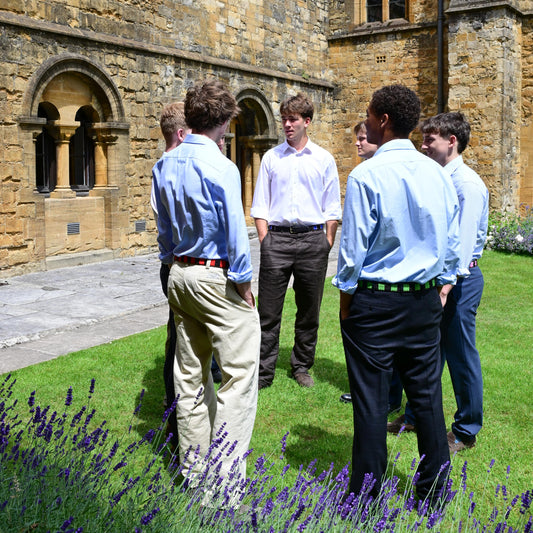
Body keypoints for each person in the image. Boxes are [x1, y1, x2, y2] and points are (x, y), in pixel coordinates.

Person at [333, 84, 460, 503]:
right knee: (427, 398)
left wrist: (346, 302)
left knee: (371, 402)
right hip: (423, 299)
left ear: (383, 120)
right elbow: (451, 239)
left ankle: (366, 500)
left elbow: (352, 250)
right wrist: (441, 285)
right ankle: (434, 493)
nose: (366, 121)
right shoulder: (437, 174)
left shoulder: (366, 174)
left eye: (369, 114)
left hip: (375, 300)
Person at [152, 79, 260, 488]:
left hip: (179, 273)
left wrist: (172, 265)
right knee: (239, 377)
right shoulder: (221, 167)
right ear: (225, 120)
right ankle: (225, 486)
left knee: (190, 378)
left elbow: (164, 230)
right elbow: (236, 232)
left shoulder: (164, 165)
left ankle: (194, 474)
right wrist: (244, 282)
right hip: (215, 276)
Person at [251, 92, 341, 389]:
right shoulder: (271, 158)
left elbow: (332, 207)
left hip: (313, 241)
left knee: (308, 311)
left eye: (293, 120)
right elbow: (260, 204)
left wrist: (327, 241)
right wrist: (265, 240)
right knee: (268, 312)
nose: (287, 125)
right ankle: (263, 371)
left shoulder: (323, 159)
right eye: (284, 120)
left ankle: (301, 366)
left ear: (307, 122)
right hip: (276, 240)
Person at [421, 112, 488, 452]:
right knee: (427, 352)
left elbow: (462, 244)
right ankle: (416, 416)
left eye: (429, 139)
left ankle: (465, 430)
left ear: (451, 142)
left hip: (459, 282)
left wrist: (445, 288)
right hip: (437, 279)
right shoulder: (437, 178)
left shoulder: (467, 185)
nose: (423, 145)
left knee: (460, 355)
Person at [151, 102, 191, 448]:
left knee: (177, 336)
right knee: (181, 341)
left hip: (171, 265)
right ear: (181, 133)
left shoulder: (159, 168)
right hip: (184, 265)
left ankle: (174, 406)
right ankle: (177, 412)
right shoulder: (173, 169)